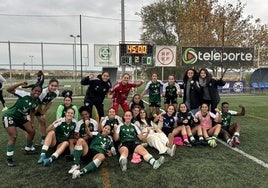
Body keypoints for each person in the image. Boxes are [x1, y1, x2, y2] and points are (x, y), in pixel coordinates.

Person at [2, 82, 42, 167]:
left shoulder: (37, 102)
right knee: (14, 136)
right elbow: (9, 89)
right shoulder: (24, 94)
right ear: (32, 90)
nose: (37, 92)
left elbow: (32, 112)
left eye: (39, 92)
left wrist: (32, 122)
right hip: (10, 116)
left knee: (32, 131)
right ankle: (9, 159)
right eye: (36, 90)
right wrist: (20, 83)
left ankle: (28, 149)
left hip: (20, 117)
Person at [36, 78, 59, 145]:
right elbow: (39, 103)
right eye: (52, 85)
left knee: (43, 122)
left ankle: (43, 138)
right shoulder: (43, 92)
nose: (53, 87)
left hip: (40, 105)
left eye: (55, 86)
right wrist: (41, 113)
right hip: (33, 105)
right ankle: (29, 143)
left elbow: (49, 103)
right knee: (30, 125)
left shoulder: (56, 93)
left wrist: (43, 113)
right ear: (48, 85)